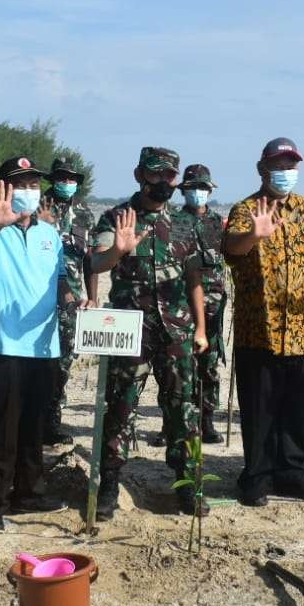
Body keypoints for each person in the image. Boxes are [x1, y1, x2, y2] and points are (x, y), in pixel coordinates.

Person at [91, 147, 209, 518]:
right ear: (139, 174)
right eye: (155, 174)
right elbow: (95, 261)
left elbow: (194, 280)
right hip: (130, 329)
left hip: (176, 331)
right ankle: (109, 484)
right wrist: (118, 252)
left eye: (169, 176)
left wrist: (202, 328)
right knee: (121, 406)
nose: (162, 182)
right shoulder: (117, 217)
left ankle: (188, 484)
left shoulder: (186, 224)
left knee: (182, 409)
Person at [223, 137, 304, 507]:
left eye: (291, 165)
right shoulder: (246, 210)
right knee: (260, 409)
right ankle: (256, 477)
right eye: (279, 165)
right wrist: (254, 234)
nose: (285, 172)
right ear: (262, 169)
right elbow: (231, 249)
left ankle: (292, 473)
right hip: (258, 330)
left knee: (298, 408)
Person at [0, 158, 68, 533]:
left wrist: (77, 300)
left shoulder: (50, 235)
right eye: (20, 183)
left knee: (33, 427)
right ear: (4, 188)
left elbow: (58, 280)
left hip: (43, 348)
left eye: (33, 183)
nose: (29, 189)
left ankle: (29, 492)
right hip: (1, 347)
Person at [41, 156, 96, 445]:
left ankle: (51, 421)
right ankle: (31, 419)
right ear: (52, 179)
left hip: (71, 300)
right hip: (36, 297)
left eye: (72, 178)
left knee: (63, 361)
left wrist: (92, 296)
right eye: (61, 177)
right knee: (35, 360)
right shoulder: (38, 206)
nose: (66, 183)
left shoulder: (85, 213)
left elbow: (90, 259)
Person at [180, 163, 228, 445]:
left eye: (201, 187)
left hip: (213, 304)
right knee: (178, 365)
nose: (197, 192)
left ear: (210, 191)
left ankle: (206, 419)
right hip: (179, 304)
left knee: (209, 364)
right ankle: (171, 422)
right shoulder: (173, 221)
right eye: (191, 188)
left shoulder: (218, 223)